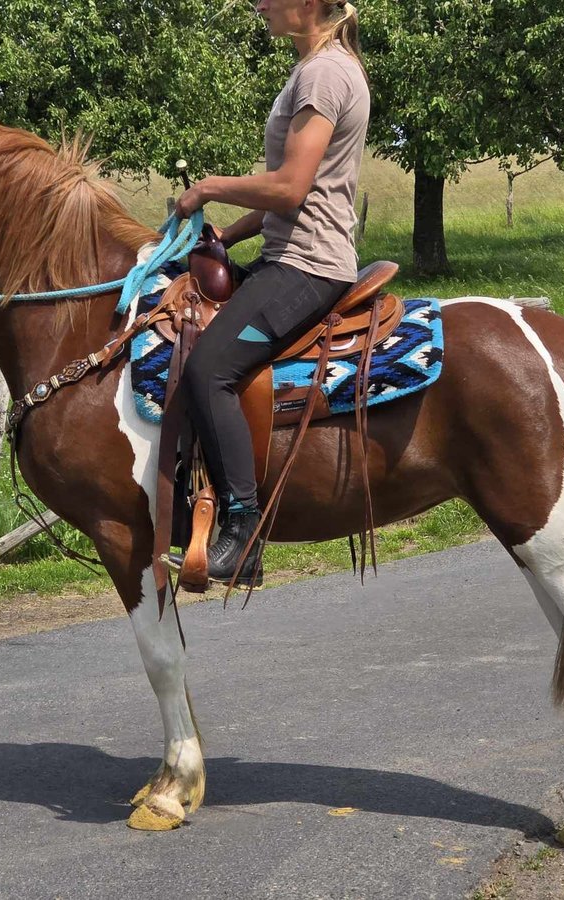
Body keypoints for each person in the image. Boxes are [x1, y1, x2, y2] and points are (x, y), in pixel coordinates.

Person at [171, 0, 370, 585]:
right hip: (287, 254)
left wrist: (207, 188)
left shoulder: (324, 73)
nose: (258, 4)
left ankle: (243, 530)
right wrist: (227, 236)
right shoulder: (314, 68)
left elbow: (289, 188)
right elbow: (302, 193)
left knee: (210, 371)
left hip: (309, 266)